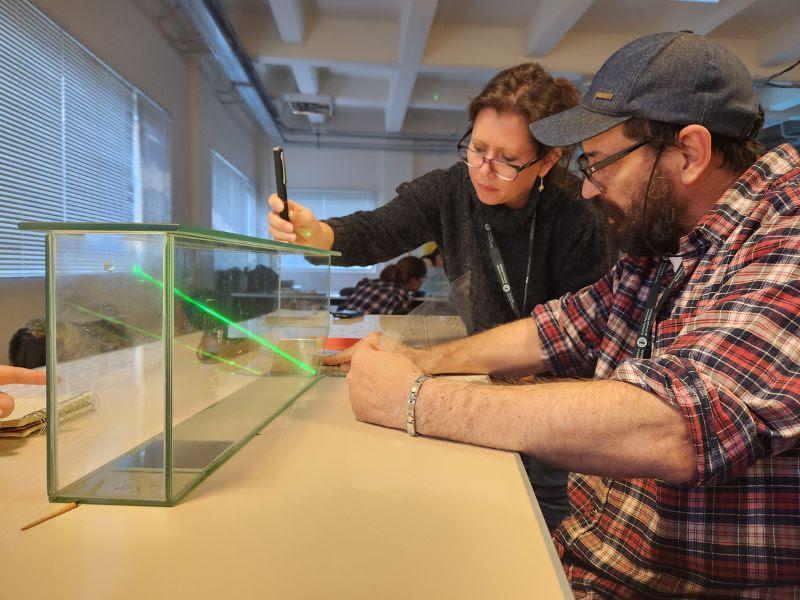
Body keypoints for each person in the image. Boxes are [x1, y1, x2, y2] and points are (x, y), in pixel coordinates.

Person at [327, 32, 800, 598]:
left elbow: (673, 426)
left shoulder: (785, 234)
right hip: (592, 553)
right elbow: (560, 326)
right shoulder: (667, 243)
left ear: (690, 154)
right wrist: (419, 362)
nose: (591, 187)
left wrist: (411, 400)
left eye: (599, 163)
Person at [269, 62, 612, 531]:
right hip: (481, 374)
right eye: (477, 148)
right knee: (481, 504)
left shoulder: (580, 217)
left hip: (554, 391)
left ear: (548, 162)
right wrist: (317, 233)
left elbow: (586, 334)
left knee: (550, 505)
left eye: (507, 160)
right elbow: (377, 229)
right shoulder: (452, 189)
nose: (484, 170)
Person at [339, 256, 427, 315]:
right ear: (413, 279)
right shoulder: (400, 296)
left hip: (338, 332)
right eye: (423, 278)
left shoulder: (368, 283)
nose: (422, 282)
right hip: (361, 336)